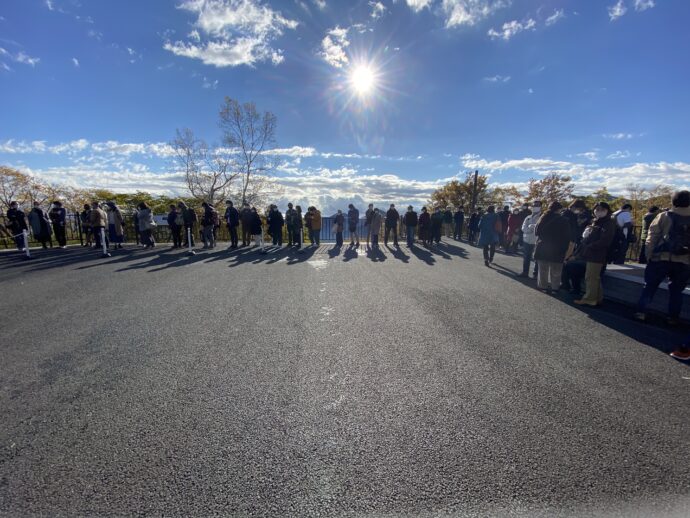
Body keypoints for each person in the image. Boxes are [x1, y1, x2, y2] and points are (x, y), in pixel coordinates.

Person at [633, 191, 690, 326]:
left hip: (661, 258)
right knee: (676, 291)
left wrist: (649, 255)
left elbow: (652, 237)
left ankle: (641, 312)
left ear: (673, 201)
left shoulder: (664, 216)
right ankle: (672, 318)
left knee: (650, 287)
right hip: (684, 261)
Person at [574, 202, 617, 307]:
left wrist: (591, 246)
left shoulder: (608, 223)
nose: (598, 211)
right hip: (593, 253)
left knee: (590, 277)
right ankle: (597, 298)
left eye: (602, 209)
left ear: (607, 211)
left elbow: (605, 240)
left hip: (597, 254)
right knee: (594, 277)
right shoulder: (596, 222)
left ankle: (589, 299)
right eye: (597, 209)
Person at [534, 201, 571, 293]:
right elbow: (567, 236)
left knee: (543, 269)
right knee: (556, 270)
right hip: (558, 248)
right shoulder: (564, 220)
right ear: (559, 210)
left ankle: (543, 287)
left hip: (543, 247)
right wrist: (565, 249)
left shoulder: (543, 218)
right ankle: (555, 288)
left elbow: (536, 232)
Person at [518, 202, 540, 278]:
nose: (535, 207)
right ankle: (525, 272)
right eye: (534, 206)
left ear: (540, 207)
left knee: (536, 257)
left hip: (536, 240)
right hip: (527, 239)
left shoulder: (542, 217)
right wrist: (529, 229)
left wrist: (532, 227)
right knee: (526, 257)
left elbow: (539, 227)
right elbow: (523, 227)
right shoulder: (528, 216)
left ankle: (535, 274)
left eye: (537, 206)